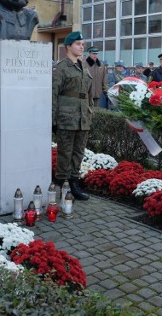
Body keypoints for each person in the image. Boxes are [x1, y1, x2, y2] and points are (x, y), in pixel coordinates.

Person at [52, 31, 93, 200]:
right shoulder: (61, 68)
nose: (81, 47)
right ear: (68, 46)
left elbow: (89, 94)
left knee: (78, 152)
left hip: (83, 117)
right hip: (66, 118)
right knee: (65, 152)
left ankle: (74, 184)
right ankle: (61, 183)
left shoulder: (84, 66)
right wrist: (53, 119)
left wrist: (90, 110)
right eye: (78, 44)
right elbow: (53, 94)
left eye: (82, 44)